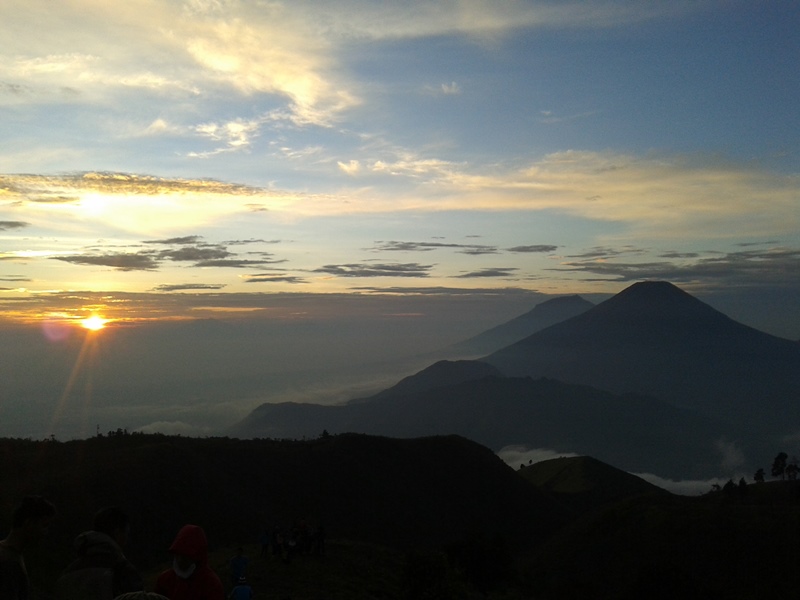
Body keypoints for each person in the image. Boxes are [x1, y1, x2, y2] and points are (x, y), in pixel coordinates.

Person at [55, 506, 143, 599]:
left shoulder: (66, 575)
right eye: (126, 534)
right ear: (117, 533)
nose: (126, 540)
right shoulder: (122, 571)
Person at [0, 495, 57, 600]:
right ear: (29, 523)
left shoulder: (13, 555)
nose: (46, 532)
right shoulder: (8, 562)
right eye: (44, 525)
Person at [154, 524, 224, 600]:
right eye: (178, 554)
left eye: (185, 556)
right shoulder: (165, 580)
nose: (180, 560)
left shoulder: (211, 584)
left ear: (197, 557)